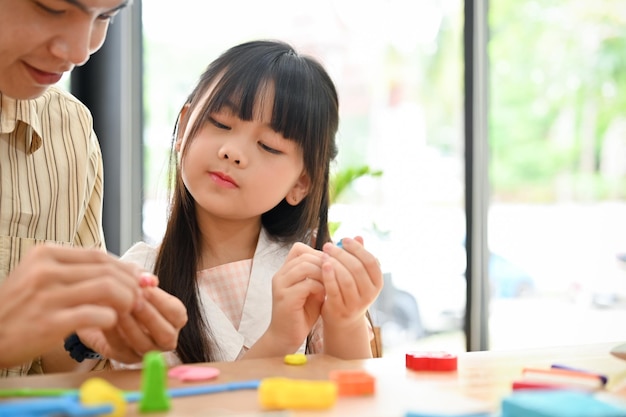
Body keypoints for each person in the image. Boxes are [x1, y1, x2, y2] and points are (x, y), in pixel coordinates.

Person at [119, 40, 383, 366]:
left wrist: (347, 318)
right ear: (185, 124)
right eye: (220, 123)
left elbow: (351, 395)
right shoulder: (139, 277)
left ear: (301, 183)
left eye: (268, 146)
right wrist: (278, 341)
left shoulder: (307, 270)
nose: (233, 151)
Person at [0, 0, 187, 376]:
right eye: (51, 8)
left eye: (106, 17)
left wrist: (84, 339)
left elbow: (52, 370)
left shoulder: (69, 128)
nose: (80, 51)